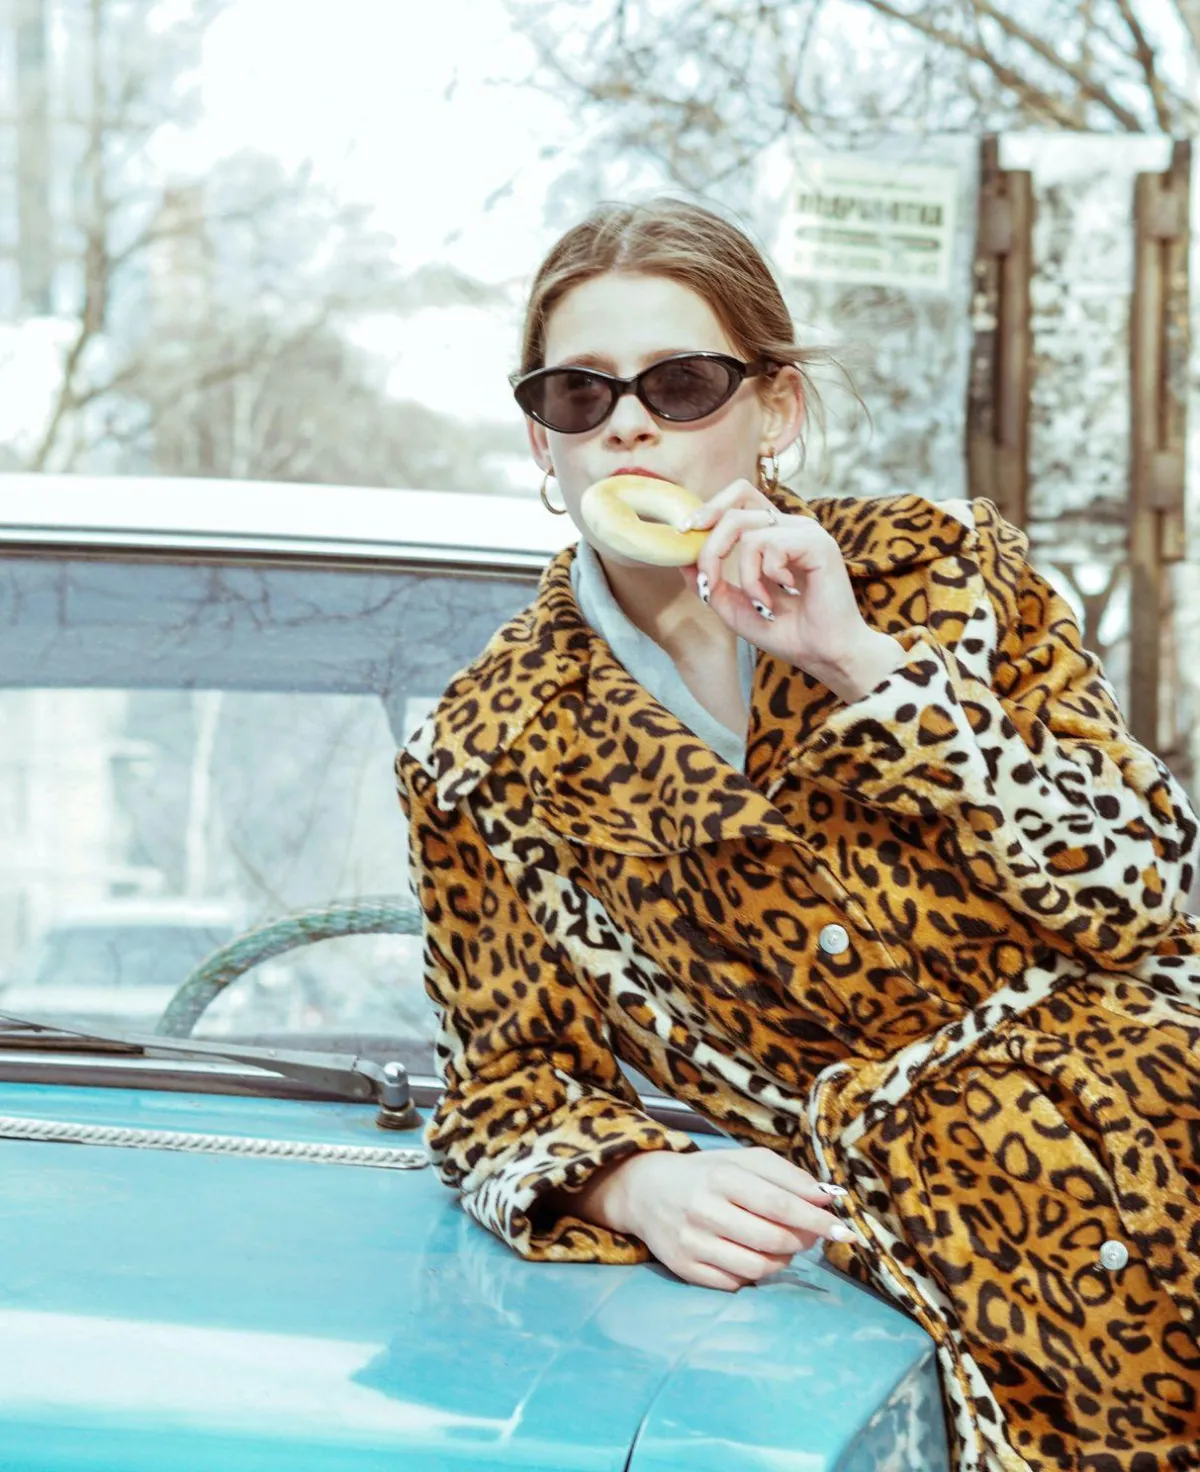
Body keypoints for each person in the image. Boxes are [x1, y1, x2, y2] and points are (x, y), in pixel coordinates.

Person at [394, 197, 1200, 1472]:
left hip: (1164, 1181)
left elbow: (1148, 881)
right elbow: (501, 1089)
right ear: (543, 444)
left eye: (683, 380)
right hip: (878, 1304)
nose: (631, 423)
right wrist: (632, 1181)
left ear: (773, 408)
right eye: (578, 394)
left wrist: (860, 662)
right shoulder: (485, 745)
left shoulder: (948, 572)